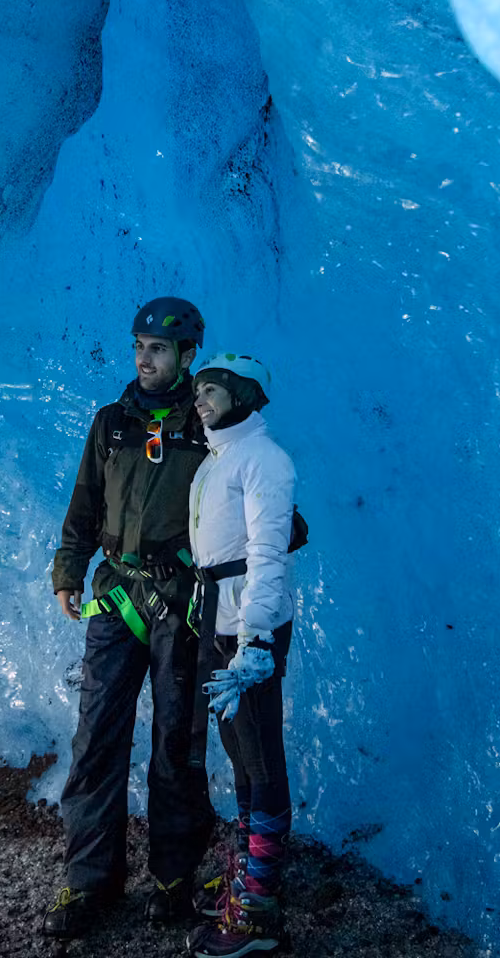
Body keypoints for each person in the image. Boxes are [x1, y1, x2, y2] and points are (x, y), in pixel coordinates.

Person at [41, 296, 217, 939]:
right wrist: (69, 570)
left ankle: (173, 876)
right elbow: (84, 503)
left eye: (160, 349)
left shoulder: (210, 428)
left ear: (188, 356)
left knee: (177, 741)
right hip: (117, 597)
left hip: (182, 601)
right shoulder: (111, 423)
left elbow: (248, 494)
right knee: (96, 740)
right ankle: (89, 882)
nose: (145, 359)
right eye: (140, 347)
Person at [183, 352, 297, 958]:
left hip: (246, 627)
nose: (200, 397)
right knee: (241, 753)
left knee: (261, 757)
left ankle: (258, 910)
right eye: (199, 388)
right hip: (220, 618)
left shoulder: (264, 460)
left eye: (213, 389)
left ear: (246, 393)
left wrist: (254, 640)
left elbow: (268, 553)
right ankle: (250, 873)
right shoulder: (220, 456)